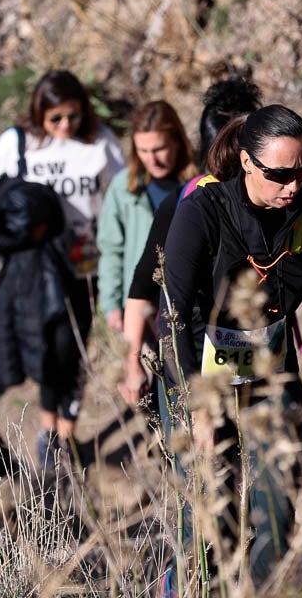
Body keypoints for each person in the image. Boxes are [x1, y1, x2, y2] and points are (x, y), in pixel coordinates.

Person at [162, 105, 302, 585]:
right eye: (280, 175)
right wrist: (194, 408)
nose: (293, 185)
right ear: (247, 162)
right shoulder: (200, 212)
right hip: (199, 376)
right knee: (210, 512)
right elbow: (173, 319)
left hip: (267, 375)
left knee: (277, 502)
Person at [0, 70, 125, 467]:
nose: (64, 126)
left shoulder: (99, 142)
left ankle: (67, 433)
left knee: (73, 349)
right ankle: (47, 430)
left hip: (85, 265)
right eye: (55, 118)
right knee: (46, 349)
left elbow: (122, 191)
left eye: (73, 116)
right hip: (38, 269)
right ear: (39, 113)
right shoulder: (19, 143)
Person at [117, 77, 262, 405]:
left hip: (260, 360)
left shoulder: (282, 199)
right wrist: (132, 363)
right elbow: (143, 284)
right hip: (195, 362)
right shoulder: (187, 202)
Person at [97, 100, 195, 336]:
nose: (152, 159)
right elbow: (111, 249)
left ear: (177, 141)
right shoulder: (123, 187)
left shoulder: (198, 185)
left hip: (186, 306)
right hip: (138, 307)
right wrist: (111, 304)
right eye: (143, 151)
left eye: (159, 149)